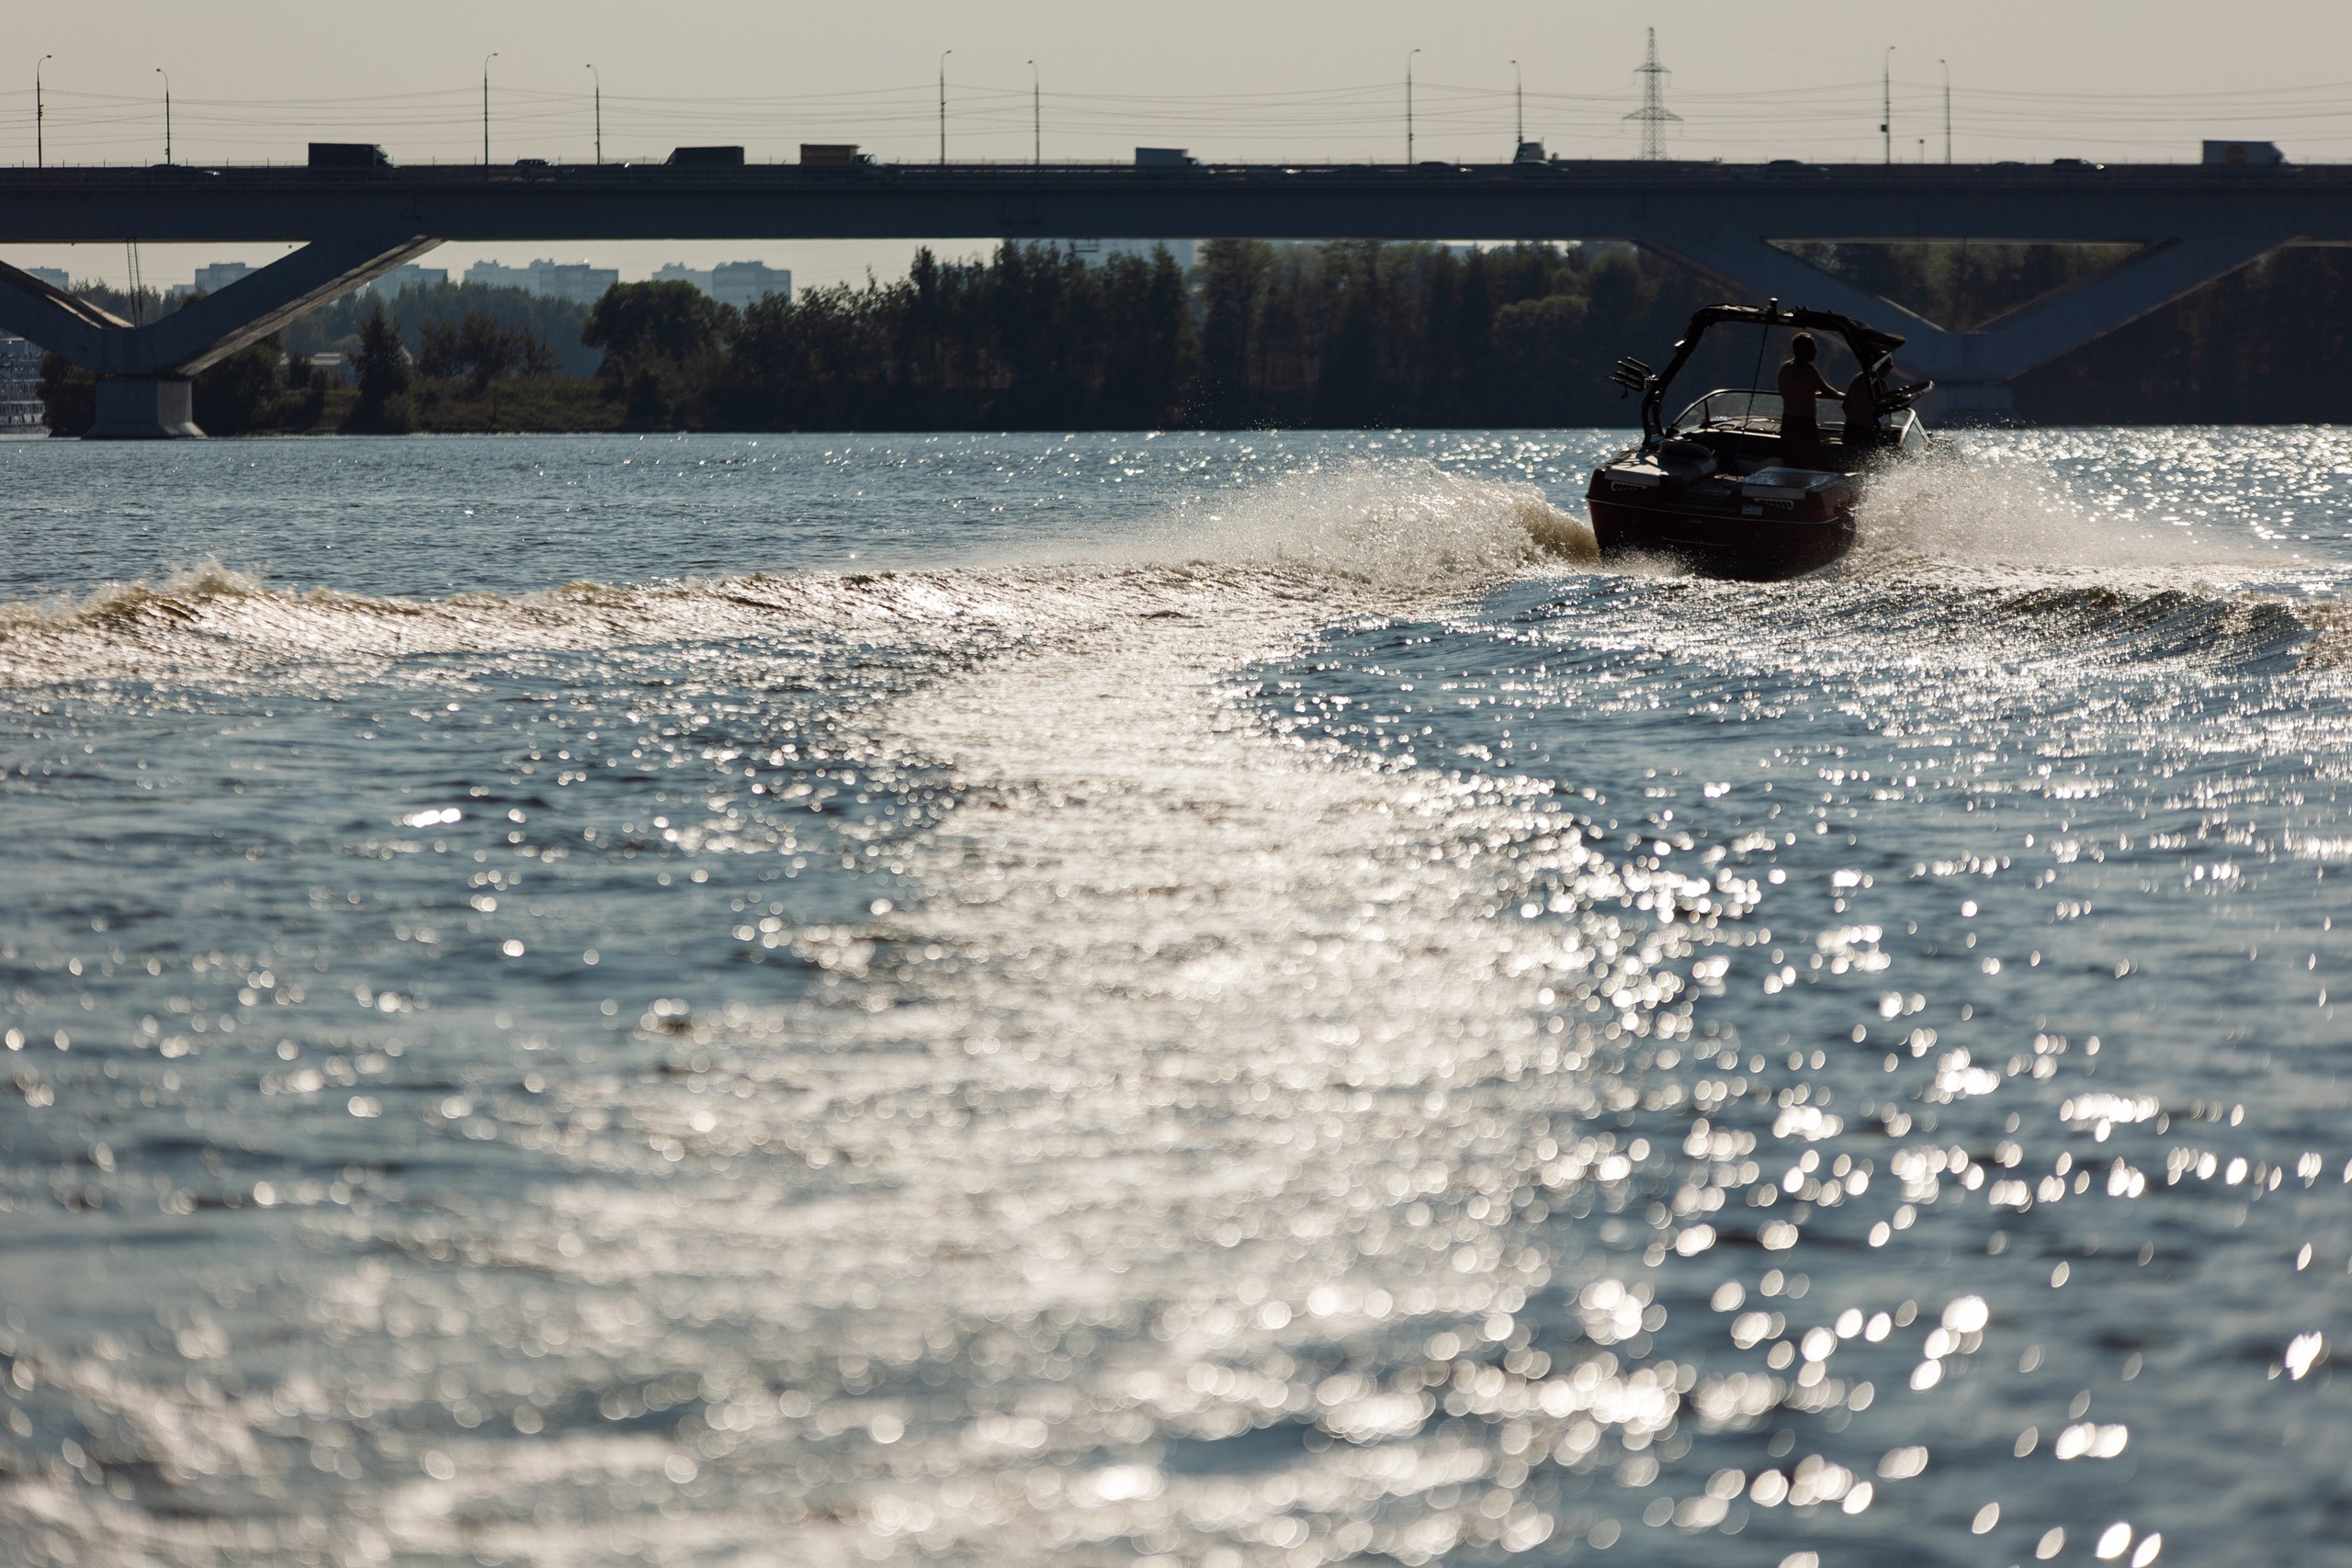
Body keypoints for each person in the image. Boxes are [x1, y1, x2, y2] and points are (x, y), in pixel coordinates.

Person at [1774, 333, 1840, 470]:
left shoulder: (1784, 368)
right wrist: (1848, 397)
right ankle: (1804, 490)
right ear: (1803, 349)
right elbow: (1829, 392)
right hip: (1804, 424)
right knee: (1808, 463)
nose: (1816, 351)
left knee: (1789, 462)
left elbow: (1791, 392)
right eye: (1813, 347)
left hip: (1787, 422)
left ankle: (1787, 489)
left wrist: (1811, 395)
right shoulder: (1808, 370)